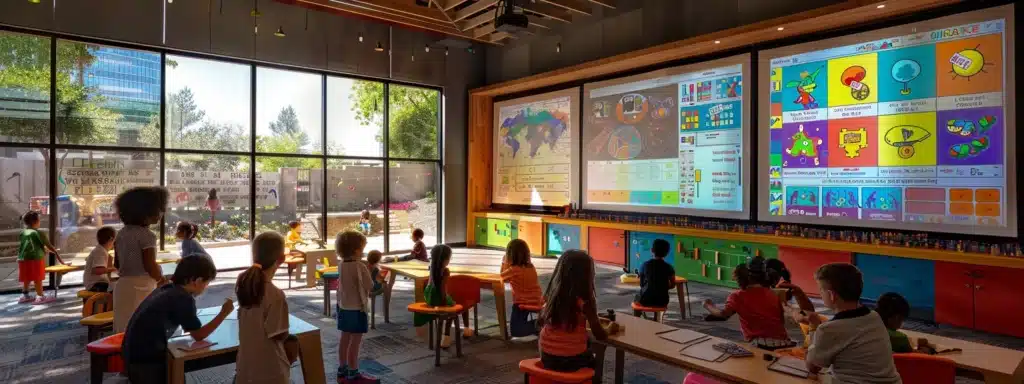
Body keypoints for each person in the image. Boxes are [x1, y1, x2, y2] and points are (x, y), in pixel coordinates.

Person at [123, 254, 232, 384]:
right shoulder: (182, 297)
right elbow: (199, 335)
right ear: (195, 281)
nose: (206, 287)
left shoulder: (168, 289)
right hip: (146, 360)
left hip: (131, 352)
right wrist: (223, 313)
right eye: (206, 282)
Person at [805, 263, 901, 384]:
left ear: (831, 295)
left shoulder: (829, 329)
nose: (820, 293)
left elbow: (812, 367)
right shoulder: (874, 317)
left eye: (820, 289)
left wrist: (814, 326)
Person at [235, 232, 299, 384]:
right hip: (270, 369)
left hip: (245, 367)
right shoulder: (275, 294)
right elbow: (279, 334)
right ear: (282, 259)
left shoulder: (244, 284)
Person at [538, 250, 616, 372]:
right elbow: (599, 334)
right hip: (574, 361)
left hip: (547, 357)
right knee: (597, 348)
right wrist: (610, 329)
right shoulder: (586, 302)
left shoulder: (551, 296)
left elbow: (542, 321)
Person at [112, 186, 170, 332]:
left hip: (122, 285)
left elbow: (116, 263)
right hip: (142, 285)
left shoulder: (121, 234)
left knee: (123, 327)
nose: (161, 213)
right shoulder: (147, 235)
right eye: (159, 209)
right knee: (142, 326)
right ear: (146, 212)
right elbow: (149, 265)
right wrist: (161, 279)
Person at [703, 256, 792, 349]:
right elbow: (781, 320)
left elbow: (723, 314)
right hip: (785, 343)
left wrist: (708, 305)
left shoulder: (737, 296)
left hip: (762, 344)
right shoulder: (773, 293)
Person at [334, 231, 379, 383]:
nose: (363, 251)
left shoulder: (341, 265)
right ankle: (353, 374)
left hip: (343, 307)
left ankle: (342, 370)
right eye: (362, 248)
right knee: (355, 341)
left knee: (344, 339)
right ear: (355, 250)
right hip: (357, 309)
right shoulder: (360, 266)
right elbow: (370, 285)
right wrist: (373, 275)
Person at [17, 211, 66, 304]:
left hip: (22, 258)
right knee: (37, 278)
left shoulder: (22, 233)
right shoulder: (39, 233)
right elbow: (50, 246)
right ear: (36, 221)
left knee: (27, 277)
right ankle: (40, 296)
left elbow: (30, 245)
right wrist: (60, 258)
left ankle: (25, 295)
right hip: (35, 258)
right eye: (39, 220)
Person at [501, 239, 543, 338]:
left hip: (522, 303)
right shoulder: (531, 267)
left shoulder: (513, 270)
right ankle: (539, 326)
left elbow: (501, 278)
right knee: (520, 325)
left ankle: (540, 325)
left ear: (510, 255)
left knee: (516, 331)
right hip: (536, 300)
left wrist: (504, 262)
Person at [634, 238, 676, 308]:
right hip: (662, 301)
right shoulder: (669, 267)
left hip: (646, 300)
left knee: (637, 297)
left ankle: (638, 317)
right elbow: (673, 285)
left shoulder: (644, 265)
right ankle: (657, 317)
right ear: (667, 253)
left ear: (652, 250)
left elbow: (641, 284)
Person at [84, 226, 117, 293]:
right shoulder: (101, 251)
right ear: (111, 239)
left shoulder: (100, 250)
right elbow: (97, 270)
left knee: (115, 285)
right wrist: (114, 269)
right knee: (117, 288)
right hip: (95, 285)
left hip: (95, 284)